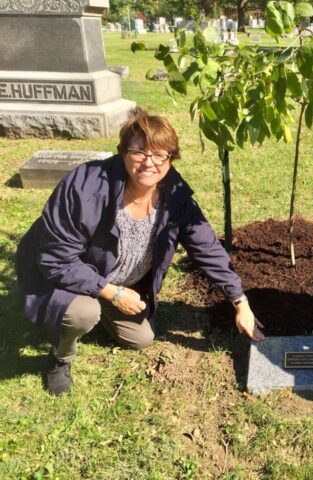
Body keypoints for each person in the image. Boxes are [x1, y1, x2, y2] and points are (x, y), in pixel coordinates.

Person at [16, 109, 264, 396]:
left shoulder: (174, 193)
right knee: (82, 313)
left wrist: (239, 301)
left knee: (141, 338)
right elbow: (56, 259)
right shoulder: (86, 187)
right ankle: (60, 357)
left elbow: (206, 246)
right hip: (65, 275)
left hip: (118, 279)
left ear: (171, 158)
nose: (150, 162)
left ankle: (94, 313)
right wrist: (112, 293)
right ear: (123, 152)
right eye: (139, 151)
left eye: (161, 154)